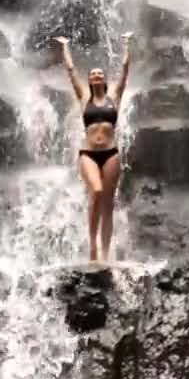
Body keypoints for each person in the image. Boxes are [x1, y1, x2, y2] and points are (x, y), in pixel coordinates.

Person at [54, 32, 133, 263]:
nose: (96, 75)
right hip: (88, 153)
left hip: (111, 154)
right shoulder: (83, 96)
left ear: (104, 79)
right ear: (90, 80)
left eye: (100, 73)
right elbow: (70, 71)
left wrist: (127, 43)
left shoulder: (114, 97)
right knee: (96, 192)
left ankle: (105, 254)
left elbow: (126, 69)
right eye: (93, 73)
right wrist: (65, 47)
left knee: (108, 204)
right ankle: (92, 248)